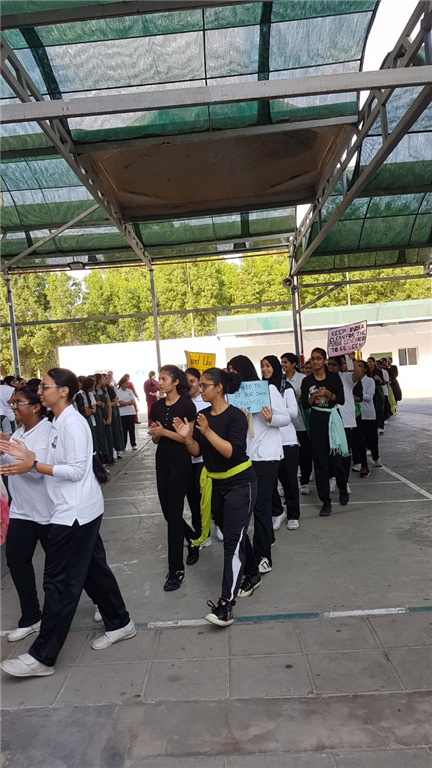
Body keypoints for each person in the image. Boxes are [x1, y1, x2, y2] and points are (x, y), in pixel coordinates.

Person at [0, 368, 135, 679]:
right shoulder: (59, 422)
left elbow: (75, 471)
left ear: (63, 391)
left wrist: (34, 464)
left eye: (46, 387)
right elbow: (56, 463)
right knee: (93, 571)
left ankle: (43, 656)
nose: (40, 391)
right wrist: (27, 455)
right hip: (73, 509)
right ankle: (120, 622)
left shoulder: (72, 424)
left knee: (58, 583)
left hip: (73, 513)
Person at [173, 367, 259, 627]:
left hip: (240, 483)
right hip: (216, 485)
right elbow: (197, 450)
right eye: (198, 385)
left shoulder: (235, 416)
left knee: (231, 542)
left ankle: (225, 605)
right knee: (236, 534)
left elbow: (232, 452)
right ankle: (252, 572)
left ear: (219, 387)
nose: (199, 389)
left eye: (204, 385)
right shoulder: (203, 416)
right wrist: (187, 438)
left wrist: (208, 431)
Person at [227, 355, 289, 575]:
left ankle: (263, 556)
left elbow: (285, 418)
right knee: (250, 506)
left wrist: (270, 418)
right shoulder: (231, 395)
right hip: (244, 458)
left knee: (261, 505)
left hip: (267, 456)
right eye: (228, 369)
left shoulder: (268, 390)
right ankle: (265, 539)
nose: (231, 373)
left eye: (234, 369)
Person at [0, 385, 52, 642]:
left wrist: (23, 460)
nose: (13, 407)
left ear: (35, 407)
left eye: (18, 403)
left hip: (49, 511)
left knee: (70, 563)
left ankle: (102, 601)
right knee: (16, 559)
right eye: (12, 403)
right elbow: (7, 467)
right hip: (22, 511)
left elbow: (41, 470)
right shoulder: (17, 434)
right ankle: (31, 617)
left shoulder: (48, 433)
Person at [148, 365, 196, 592]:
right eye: (159, 378)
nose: (160, 382)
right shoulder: (156, 407)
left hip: (181, 462)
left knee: (174, 516)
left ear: (176, 381)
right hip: (162, 461)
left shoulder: (187, 405)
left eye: (164, 378)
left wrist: (165, 432)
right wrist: (157, 434)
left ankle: (176, 570)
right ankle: (193, 538)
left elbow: (189, 438)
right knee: (169, 514)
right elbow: (156, 440)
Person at [301, 348, 349, 517]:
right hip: (316, 420)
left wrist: (328, 393)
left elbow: (341, 400)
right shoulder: (307, 381)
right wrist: (313, 396)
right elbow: (305, 405)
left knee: (336, 461)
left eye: (318, 358)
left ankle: (343, 488)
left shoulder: (333, 377)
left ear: (324, 360)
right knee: (320, 462)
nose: (315, 362)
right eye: (312, 359)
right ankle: (325, 501)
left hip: (332, 419)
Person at [184, 367, 211, 566]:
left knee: (207, 497)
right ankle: (201, 533)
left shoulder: (206, 401)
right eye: (187, 382)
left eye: (193, 381)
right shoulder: (182, 404)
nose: (190, 385)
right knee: (193, 498)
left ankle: (214, 525)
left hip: (204, 459)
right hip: (186, 460)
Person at [327, 353, 362, 490]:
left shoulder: (346, 377)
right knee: (331, 452)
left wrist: (352, 359)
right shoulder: (323, 378)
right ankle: (332, 478)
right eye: (329, 364)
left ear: (340, 366)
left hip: (346, 421)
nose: (331, 367)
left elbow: (358, 374)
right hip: (330, 421)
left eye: (334, 365)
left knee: (345, 453)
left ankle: (344, 482)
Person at [272, 362, 300, 531]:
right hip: (269, 442)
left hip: (287, 441)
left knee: (289, 480)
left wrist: (274, 411)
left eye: (268, 366)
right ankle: (277, 512)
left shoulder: (286, 388)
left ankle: (293, 515)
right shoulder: (260, 390)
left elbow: (293, 412)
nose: (265, 369)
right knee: (270, 482)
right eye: (262, 366)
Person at [280, 352, 312, 494]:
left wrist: (299, 397)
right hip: (285, 425)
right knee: (287, 457)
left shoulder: (302, 379)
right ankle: (285, 485)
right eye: (282, 362)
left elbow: (308, 398)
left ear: (293, 364)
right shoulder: (279, 380)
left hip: (301, 422)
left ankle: (304, 482)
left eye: (286, 362)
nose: (283, 365)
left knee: (305, 454)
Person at [359, 360, 382, 468]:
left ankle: (376, 457)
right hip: (356, 414)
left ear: (365, 369)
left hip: (368, 414)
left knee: (372, 439)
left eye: (360, 366)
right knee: (359, 440)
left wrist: (358, 396)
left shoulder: (369, 381)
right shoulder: (351, 381)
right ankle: (361, 462)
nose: (358, 368)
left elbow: (369, 397)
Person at [117, 375, 137, 450]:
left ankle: (133, 444)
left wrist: (125, 403)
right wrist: (128, 403)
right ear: (122, 384)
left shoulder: (130, 391)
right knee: (124, 430)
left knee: (132, 429)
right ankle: (124, 444)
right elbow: (121, 402)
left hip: (131, 412)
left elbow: (133, 401)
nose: (127, 385)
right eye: (125, 383)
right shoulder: (118, 392)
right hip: (123, 413)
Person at [366, 357, 385, 434]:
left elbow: (383, 382)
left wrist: (379, 379)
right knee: (371, 408)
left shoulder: (379, 371)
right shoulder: (366, 371)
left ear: (374, 362)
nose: (369, 364)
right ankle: (375, 425)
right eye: (368, 362)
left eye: (370, 362)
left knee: (378, 408)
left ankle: (380, 426)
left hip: (377, 390)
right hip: (368, 391)